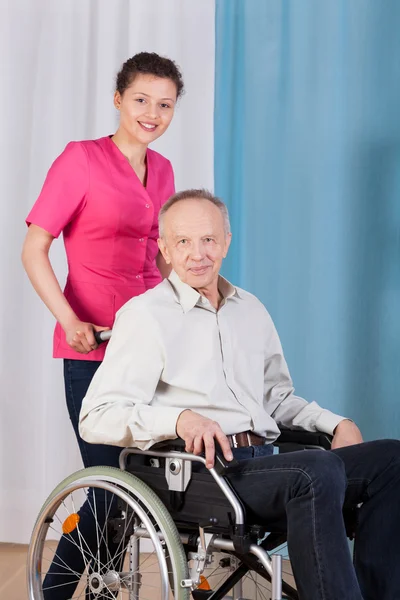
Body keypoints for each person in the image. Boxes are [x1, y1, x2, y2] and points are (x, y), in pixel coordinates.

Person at [80, 188, 400, 600]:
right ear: (164, 248)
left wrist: (337, 423)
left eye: (208, 239)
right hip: (203, 474)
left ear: (226, 242)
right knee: (317, 470)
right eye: (183, 242)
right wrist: (179, 419)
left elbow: (276, 400)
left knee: (390, 459)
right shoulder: (145, 316)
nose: (198, 254)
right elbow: (97, 415)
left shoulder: (250, 310)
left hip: (264, 466)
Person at [22, 52, 184, 599]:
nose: (152, 113)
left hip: (149, 347)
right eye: (142, 100)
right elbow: (34, 249)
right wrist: (69, 319)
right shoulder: (81, 160)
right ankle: (53, 592)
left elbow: (158, 258)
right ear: (118, 100)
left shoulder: (163, 171)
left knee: (141, 487)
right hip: (92, 347)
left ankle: (105, 592)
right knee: (112, 486)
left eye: (164, 105)